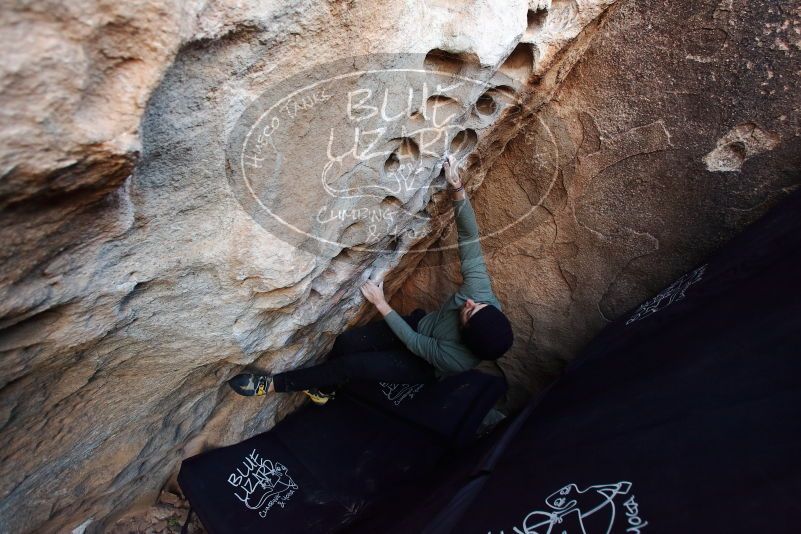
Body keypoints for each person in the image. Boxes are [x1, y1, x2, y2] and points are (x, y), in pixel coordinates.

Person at [228, 155, 514, 404]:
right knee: (346, 343)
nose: (472, 302)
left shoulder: (457, 359)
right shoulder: (481, 296)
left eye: (470, 311)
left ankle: (273, 384)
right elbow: (470, 242)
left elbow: (415, 344)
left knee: (354, 365)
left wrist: (381, 303)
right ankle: (323, 388)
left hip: (419, 363)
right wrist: (457, 189)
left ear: (466, 334)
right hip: (421, 324)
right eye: (479, 305)